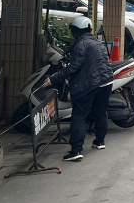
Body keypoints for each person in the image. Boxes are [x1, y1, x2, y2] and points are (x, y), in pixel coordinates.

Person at [42, 17, 112, 161]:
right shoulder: (96, 41)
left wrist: (54, 79)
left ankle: (76, 150)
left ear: (75, 31)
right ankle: (100, 141)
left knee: (79, 115)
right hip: (106, 81)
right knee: (101, 112)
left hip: (91, 83)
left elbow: (74, 67)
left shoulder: (81, 44)